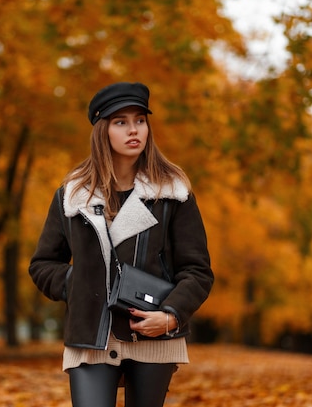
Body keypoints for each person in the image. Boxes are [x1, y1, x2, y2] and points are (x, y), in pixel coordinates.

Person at [29, 82, 214, 407]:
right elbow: (43, 265)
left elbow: (197, 271)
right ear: (103, 131)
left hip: (153, 333)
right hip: (90, 335)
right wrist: (77, 283)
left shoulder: (173, 193)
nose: (134, 130)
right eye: (121, 122)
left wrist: (170, 316)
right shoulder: (72, 196)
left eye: (140, 120)